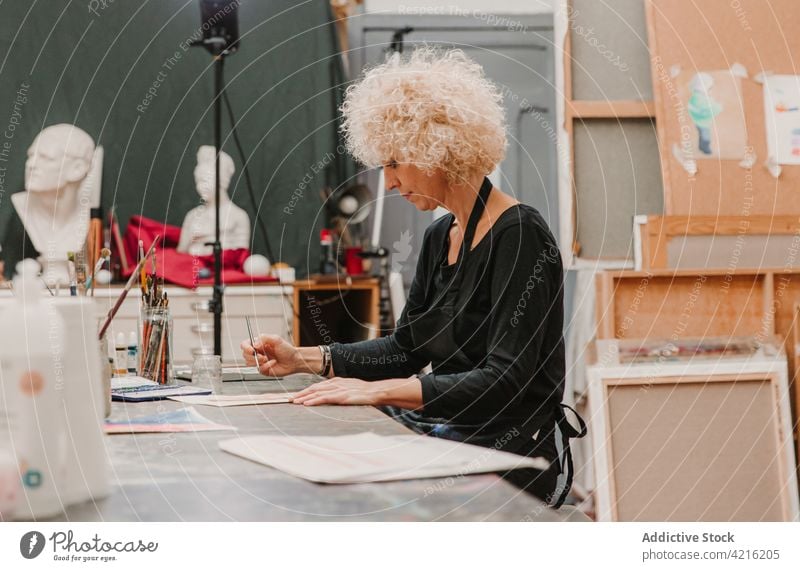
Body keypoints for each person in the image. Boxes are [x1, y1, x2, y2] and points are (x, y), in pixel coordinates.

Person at [241, 47, 584, 506]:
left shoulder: (520, 236)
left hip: (507, 462)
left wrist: (376, 392)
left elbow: (506, 381)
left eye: (395, 163)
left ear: (439, 149)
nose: (389, 183)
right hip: (449, 442)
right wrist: (302, 358)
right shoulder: (442, 234)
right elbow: (405, 350)